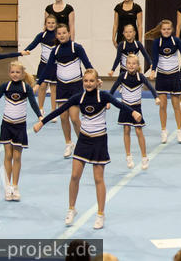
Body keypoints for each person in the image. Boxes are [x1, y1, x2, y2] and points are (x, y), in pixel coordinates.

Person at [34, 68, 142, 230]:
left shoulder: (103, 96)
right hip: (84, 141)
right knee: (74, 176)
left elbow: (120, 105)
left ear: (97, 82)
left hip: (99, 141)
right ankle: (71, 208)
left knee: (98, 179)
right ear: (82, 82)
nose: (88, 84)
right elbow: (60, 109)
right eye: (86, 81)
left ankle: (100, 214)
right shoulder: (78, 97)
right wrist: (42, 122)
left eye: (91, 81)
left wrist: (133, 113)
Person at [0, 61, 42, 201]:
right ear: (9, 73)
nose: (15, 74)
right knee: (8, 155)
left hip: (20, 126)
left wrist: (40, 117)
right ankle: (8, 186)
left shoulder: (26, 88)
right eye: (12, 72)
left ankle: (15, 186)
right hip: (7, 125)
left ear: (22, 74)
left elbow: (33, 103)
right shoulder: (5, 86)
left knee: (17, 157)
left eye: (18, 72)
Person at [35, 24, 93, 158]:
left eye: (64, 33)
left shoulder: (76, 48)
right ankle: (68, 143)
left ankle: (82, 144)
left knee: (74, 118)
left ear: (69, 33)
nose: (62, 35)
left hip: (75, 87)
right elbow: (48, 69)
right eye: (59, 33)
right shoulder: (55, 51)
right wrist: (38, 84)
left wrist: (95, 78)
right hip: (62, 87)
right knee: (63, 117)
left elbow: (87, 64)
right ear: (56, 36)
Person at [146, 19, 181, 144]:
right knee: (163, 105)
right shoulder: (157, 42)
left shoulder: (176, 41)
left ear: (172, 30)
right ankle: (163, 131)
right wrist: (153, 71)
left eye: (168, 29)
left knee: (176, 106)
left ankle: (179, 130)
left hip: (174, 76)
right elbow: (155, 58)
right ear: (161, 30)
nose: (166, 31)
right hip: (162, 77)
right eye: (164, 29)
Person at [110, 54, 159, 170]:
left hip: (136, 107)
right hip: (125, 107)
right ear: (125, 64)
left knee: (138, 130)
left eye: (134, 64)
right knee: (126, 129)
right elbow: (113, 88)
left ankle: (144, 157)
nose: (131, 66)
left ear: (137, 65)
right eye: (129, 63)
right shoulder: (122, 76)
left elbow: (150, 87)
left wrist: (156, 97)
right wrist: (108, 101)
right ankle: (128, 156)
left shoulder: (140, 77)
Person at [23, 15, 58, 117]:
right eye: (48, 23)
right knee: (42, 86)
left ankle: (53, 110)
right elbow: (33, 44)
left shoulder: (58, 35)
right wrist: (25, 51)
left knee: (54, 88)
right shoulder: (42, 35)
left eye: (53, 23)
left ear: (56, 24)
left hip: (55, 65)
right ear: (45, 24)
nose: (51, 25)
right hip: (43, 64)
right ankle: (41, 108)